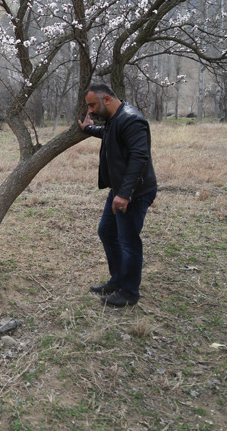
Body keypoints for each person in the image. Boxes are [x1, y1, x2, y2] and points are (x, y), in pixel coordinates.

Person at [78, 83, 157, 307]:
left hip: (134, 193)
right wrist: (88, 128)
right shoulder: (117, 118)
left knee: (128, 242)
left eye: (92, 105)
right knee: (107, 232)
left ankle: (129, 293)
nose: (90, 110)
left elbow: (139, 157)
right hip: (120, 190)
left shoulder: (132, 119)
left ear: (107, 99)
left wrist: (124, 194)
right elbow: (109, 133)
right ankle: (119, 280)